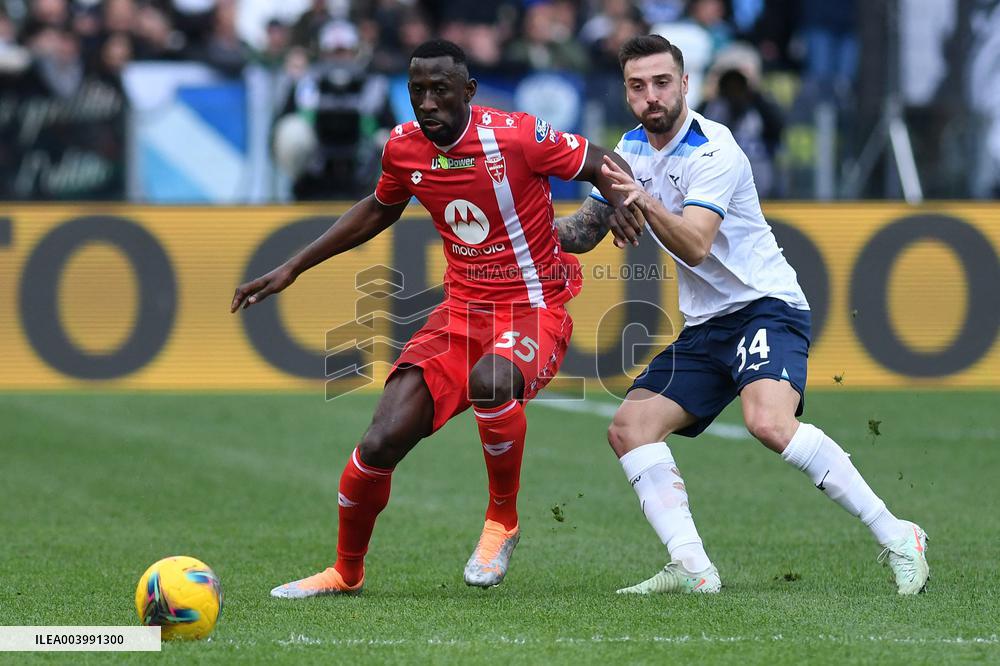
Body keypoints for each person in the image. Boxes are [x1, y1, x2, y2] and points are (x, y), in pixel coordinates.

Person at [232, 39, 640, 597]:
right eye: (417, 90)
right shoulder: (403, 147)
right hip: (458, 316)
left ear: (467, 91)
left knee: (492, 383)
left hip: (533, 308)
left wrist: (623, 203)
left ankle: (502, 521)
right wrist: (294, 267)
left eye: (440, 90)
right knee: (378, 443)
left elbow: (600, 163)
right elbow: (379, 207)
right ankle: (346, 572)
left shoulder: (518, 135)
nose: (427, 102)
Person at [554, 34, 929, 596]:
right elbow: (583, 232)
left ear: (685, 84)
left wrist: (641, 200)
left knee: (768, 423)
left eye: (661, 83)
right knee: (630, 428)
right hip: (708, 325)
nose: (651, 96)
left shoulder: (716, 149)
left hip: (765, 306)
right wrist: (515, 217)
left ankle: (898, 535)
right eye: (638, 86)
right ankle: (692, 567)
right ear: (626, 93)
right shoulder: (629, 151)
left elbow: (697, 244)